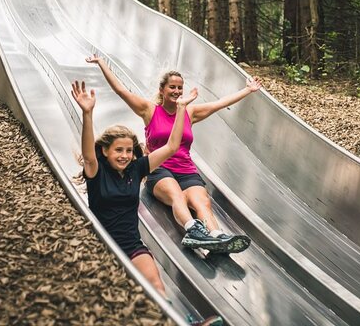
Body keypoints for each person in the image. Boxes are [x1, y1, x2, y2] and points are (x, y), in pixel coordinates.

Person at [72, 80, 223, 326]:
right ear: (106, 152)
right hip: (102, 243)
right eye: (118, 150)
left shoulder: (137, 168)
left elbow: (173, 146)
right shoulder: (97, 172)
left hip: (132, 244)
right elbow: (88, 155)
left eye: (129, 150)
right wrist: (87, 113)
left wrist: (182, 108)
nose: (124, 156)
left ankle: (179, 323)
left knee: (156, 287)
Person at [86, 55, 263, 253]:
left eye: (180, 87)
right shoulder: (149, 110)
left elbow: (220, 103)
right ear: (162, 90)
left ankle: (217, 237)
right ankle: (193, 231)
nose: (177, 91)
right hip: (159, 168)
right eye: (172, 87)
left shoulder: (190, 112)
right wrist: (102, 63)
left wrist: (248, 90)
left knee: (202, 201)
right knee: (177, 195)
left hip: (186, 169)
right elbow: (121, 90)